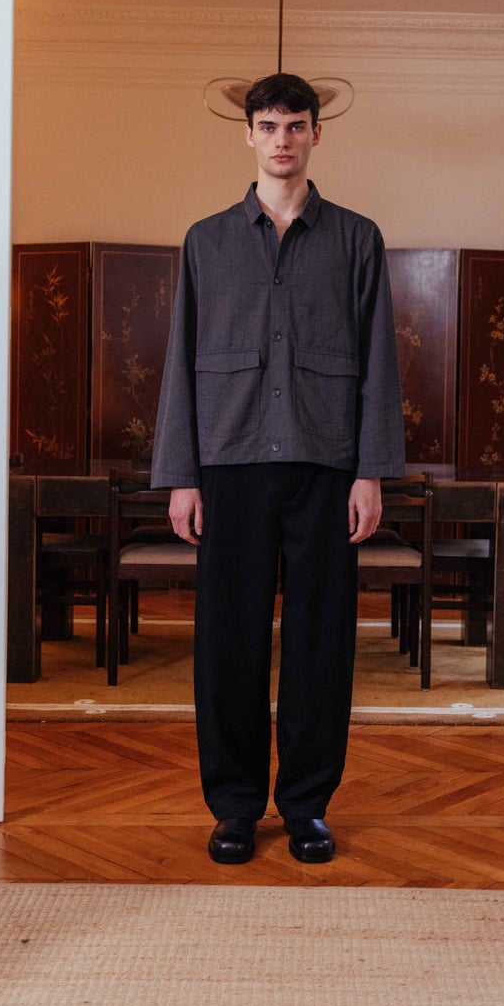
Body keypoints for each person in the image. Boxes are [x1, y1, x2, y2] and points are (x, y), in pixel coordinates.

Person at [150, 72, 405, 866]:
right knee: (227, 642)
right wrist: (181, 474)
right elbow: (180, 361)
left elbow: (378, 360)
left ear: (316, 133)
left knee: (320, 643)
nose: (282, 139)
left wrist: (370, 471)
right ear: (248, 134)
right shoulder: (206, 241)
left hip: (327, 466)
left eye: (295, 125)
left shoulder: (356, 239)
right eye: (268, 125)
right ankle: (233, 806)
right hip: (227, 464)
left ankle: (306, 806)